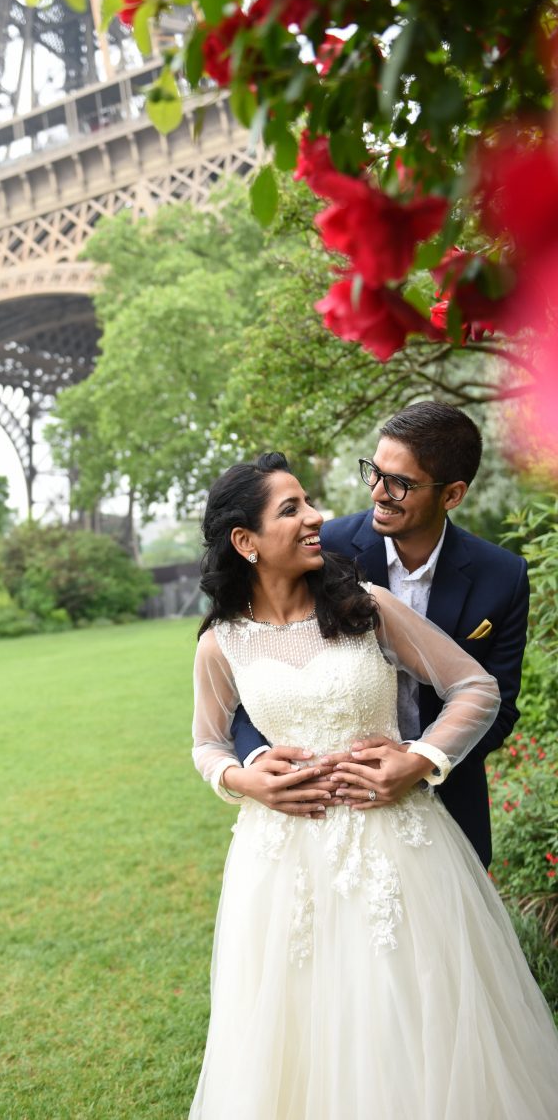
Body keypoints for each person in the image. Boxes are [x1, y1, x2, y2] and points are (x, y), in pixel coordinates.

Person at [190, 452, 557, 1119]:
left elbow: (474, 688)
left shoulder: (368, 607)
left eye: (310, 502)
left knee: (406, 1014)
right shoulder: (221, 644)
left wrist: (418, 758)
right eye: (291, 508)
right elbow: (207, 742)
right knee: (296, 1030)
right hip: (282, 866)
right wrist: (246, 778)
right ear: (245, 542)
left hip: (399, 851)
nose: (317, 517)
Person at [230, 402, 528, 866]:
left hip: (448, 804)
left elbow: (500, 704)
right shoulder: (319, 548)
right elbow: (250, 658)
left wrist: (419, 760)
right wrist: (252, 762)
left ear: (452, 495)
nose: (378, 492)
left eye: (400, 484)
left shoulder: (502, 576)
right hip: (321, 813)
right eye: (375, 472)